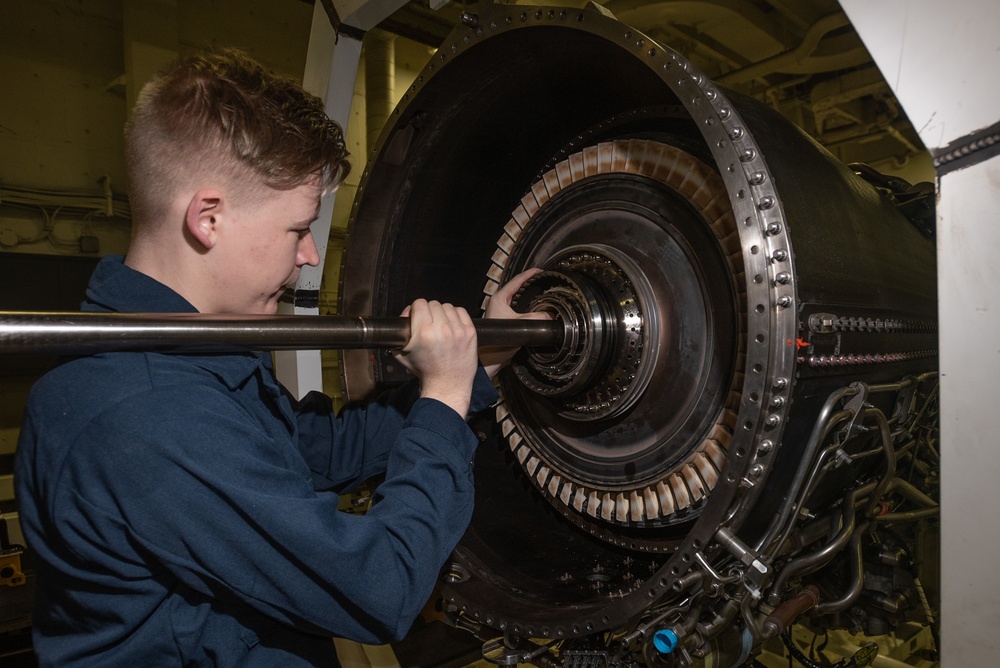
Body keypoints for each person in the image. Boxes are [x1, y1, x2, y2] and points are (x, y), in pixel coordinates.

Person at [15, 48, 541, 667]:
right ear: (208, 218)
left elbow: (322, 451)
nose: (310, 256)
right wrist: (444, 402)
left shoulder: (194, 358)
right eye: (299, 229)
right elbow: (382, 588)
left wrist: (478, 366)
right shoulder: (149, 415)